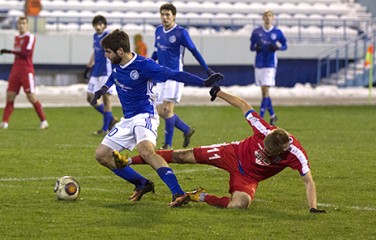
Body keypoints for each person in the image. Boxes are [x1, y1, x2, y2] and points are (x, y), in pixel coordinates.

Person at [113, 86, 326, 213]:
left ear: (283, 150)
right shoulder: (263, 128)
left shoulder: (296, 154)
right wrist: (219, 92)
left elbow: (309, 181)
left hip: (248, 177)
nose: (265, 153)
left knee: (239, 205)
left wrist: (313, 208)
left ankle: (198, 196)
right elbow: (243, 104)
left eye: (270, 154)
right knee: (183, 156)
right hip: (232, 153)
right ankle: (128, 160)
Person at [90, 29, 223, 207]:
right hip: (127, 119)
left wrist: (204, 82)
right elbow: (114, 76)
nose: (106, 55)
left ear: (120, 51)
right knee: (102, 155)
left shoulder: (145, 65)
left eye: (108, 52)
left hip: (145, 115)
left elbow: (174, 74)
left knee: (146, 152)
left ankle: (178, 193)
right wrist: (103, 89)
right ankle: (141, 183)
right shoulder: (117, 62)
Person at [151, 3, 216, 149]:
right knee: (159, 110)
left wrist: (208, 70)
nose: (164, 17)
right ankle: (186, 129)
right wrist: (148, 65)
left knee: (167, 110)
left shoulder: (181, 33)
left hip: (176, 75)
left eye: (168, 15)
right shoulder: (158, 31)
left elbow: (194, 51)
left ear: (174, 16)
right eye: (162, 14)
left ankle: (167, 145)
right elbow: (157, 52)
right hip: (160, 75)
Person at [0, 16, 48, 129]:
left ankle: (44, 120)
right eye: (19, 23)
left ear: (27, 25)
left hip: (26, 70)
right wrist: (12, 52)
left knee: (31, 97)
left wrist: (9, 51)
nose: (21, 25)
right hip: (15, 70)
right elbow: (18, 53)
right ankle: (5, 122)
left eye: (23, 23)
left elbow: (26, 53)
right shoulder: (17, 37)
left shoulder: (30, 37)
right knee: (10, 96)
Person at [250, 10, 287, 126]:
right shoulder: (256, 32)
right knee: (264, 92)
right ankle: (272, 115)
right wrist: (257, 48)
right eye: (266, 15)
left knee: (266, 89)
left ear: (273, 18)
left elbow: (285, 45)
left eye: (270, 15)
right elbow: (251, 47)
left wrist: (277, 48)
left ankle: (260, 119)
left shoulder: (277, 32)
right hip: (259, 64)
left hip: (270, 64)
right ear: (263, 18)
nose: (268, 18)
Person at [83, 15, 118, 135]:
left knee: (106, 99)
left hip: (106, 72)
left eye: (100, 24)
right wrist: (88, 66)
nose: (98, 27)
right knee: (90, 97)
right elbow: (95, 52)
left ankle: (104, 129)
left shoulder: (108, 36)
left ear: (104, 25)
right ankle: (111, 119)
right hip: (96, 71)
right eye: (96, 25)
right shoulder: (95, 36)